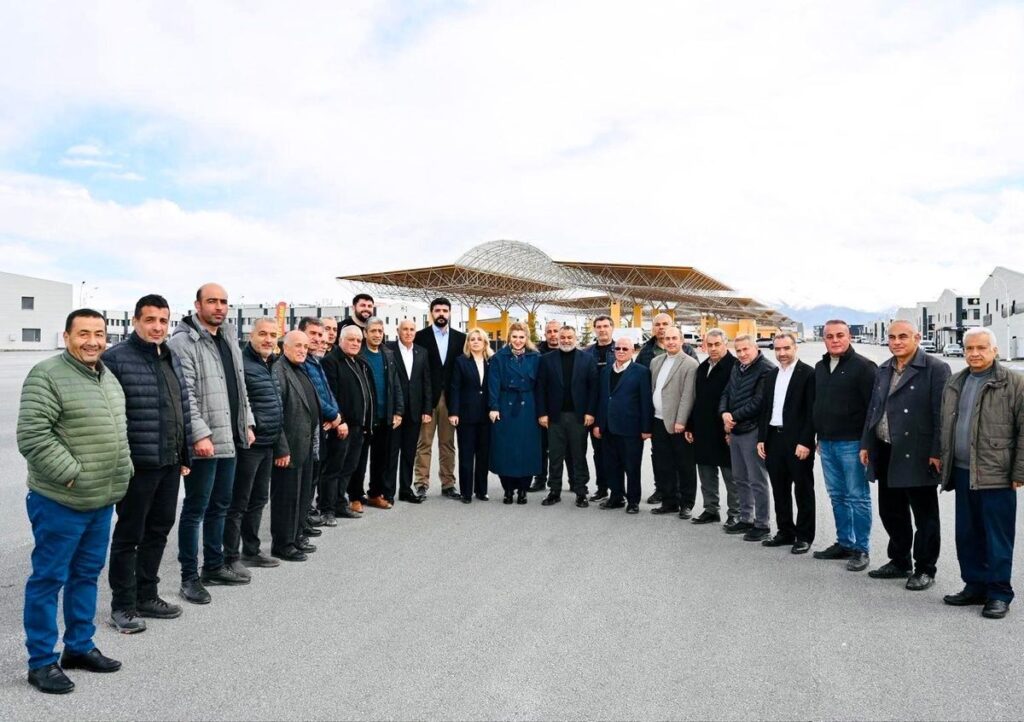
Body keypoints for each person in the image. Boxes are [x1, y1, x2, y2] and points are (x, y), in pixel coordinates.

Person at [18, 309, 133, 694]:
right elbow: (33, 436)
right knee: (49, 578)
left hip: (100, 499)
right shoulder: (47, 375)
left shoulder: (106, 376)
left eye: (99, 333)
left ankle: (79, 646)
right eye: (83, 333)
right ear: (67, 336)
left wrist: (124, 469)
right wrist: (74, 474)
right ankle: (41, 661)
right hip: (61, 499)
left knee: (86, 574)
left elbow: (118, 431)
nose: (93, 341)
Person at [102, 295, 191, 635]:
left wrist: (183, 455)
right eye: (150, 320)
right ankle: (123, 605)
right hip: (137, 465)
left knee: (159, 529)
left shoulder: (168, 356)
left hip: (168, 462)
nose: (157, 327)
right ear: (135, 321)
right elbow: (110, 416)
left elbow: (179, 408)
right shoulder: (115, 359)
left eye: (163, 321)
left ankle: (147, 595)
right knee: (129, 535)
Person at [168, 283, 255, 604]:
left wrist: (247, 422)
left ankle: (214, 567)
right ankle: (189, 577)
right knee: (195, 509)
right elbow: (185, 393)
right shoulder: (183, 342)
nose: (219, 307)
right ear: (197, 305)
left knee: (221, 505)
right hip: (204, 441)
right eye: (212, 301)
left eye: (223, 302)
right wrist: (199, 434)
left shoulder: (228, 336)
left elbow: (239, 385)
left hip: (229, 436)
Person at [940, 327, 1024, 619]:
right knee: (967, 533)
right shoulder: (956, 381)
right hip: (963, 471)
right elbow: (947, 424)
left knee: (997, 537)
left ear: (994, 350)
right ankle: (974, 586)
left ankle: (999, 593)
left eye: (981, 348)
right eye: (969, 348)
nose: (974, 354)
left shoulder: (1014, 383)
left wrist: (1019, 470)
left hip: (996, 474)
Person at [860, 320, 950, 590]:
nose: (897, 342)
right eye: (892, 337)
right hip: (886, 448)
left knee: (925, 516)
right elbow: (874, 409)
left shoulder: (935, 368)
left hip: (918, 452)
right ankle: (900, 561)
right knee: (891, 511)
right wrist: (866, 443)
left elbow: (941, 414)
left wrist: (937, 451)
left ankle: (925, 568)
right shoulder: (884, 368)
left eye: (903, 336)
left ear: (917, 338)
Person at [812, 319, 877, 572]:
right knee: (837, 496)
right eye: (830, 336)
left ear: (849, 336)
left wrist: (866, 444)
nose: (835, 340)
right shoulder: (820, 367)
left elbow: (873, 410)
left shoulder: (864, 367)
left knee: (857, 497)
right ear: (824, 339)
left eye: (840, 335)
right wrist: (819, 437)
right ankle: (845, 543)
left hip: (852, 444)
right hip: (827, 444)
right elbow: (818, 404)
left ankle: (861, 548)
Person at [223, 318, 283, 576]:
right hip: (249, 445)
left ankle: (251, 550)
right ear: (251, 335)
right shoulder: (242, 364)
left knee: (258, 499)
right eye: (263, 334)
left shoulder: (270, 364)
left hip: (268, 443)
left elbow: (276, 405)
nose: (268, 339)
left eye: (272, 335)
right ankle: (230, 556)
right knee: (239, 502)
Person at [756, 332, 816, 554]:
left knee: (803, 490)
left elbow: (811, 412)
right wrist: (762, 438)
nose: (782, 353)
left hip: (797, 441)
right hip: (774, 438)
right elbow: (766, 409)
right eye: (778, 349)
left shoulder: (808, 374)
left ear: (795, 348)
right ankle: (785, 531)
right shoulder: (772, 375)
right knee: (779, 489)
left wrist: (806, 441)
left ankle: (804, 536)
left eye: (786, 348)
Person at [269, 331, 320, 561]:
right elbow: (276, 413)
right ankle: (283, 544)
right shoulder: (279, 370)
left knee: (301, 495)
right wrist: (281, 448)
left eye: (305, 347)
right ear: (284, 347)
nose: (302, 350)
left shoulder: (300, 368)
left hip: (304, 443)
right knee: (286, 498)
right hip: (289, 446)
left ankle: (296, 536)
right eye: (298, 345)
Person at [719, 334, 774, 541]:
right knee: (740, 477)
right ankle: (745, 518)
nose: (742, 354)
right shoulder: (737, 366)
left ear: (755, 348)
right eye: (738, 350)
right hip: (735, 430)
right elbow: (726, 393)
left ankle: (762, 524)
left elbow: (758, 402)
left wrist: (733, 417)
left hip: (752, 430)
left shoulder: (766, 369)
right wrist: (724, 413)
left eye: (745, 349)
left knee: (757, 480)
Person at [537, 325, 598, 508]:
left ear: (575, 338)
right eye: (562, 337)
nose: (566, 340)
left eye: (569, 337)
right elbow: (540, 388)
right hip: (554, 417)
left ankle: (581, 492)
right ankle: (554, 491)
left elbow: (593, 388)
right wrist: (542, 413)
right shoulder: (546, 360)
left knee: (578, 455)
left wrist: (590, 412)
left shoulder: (587, 359)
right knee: (555, 456)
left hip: (578, 417)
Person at [414, 297, 467, 499]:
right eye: (437, 310)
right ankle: (421, 483)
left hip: (451, 398)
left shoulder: (460, 338)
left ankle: (448, 484)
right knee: (424, 443)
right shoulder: (420, 337)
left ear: (450, 313)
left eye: (445, 310)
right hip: (428, 398)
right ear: (431, 313)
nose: (441, 314)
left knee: (447, 443)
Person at [593, 337, 652, 513]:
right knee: (612, 465)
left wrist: (646, 428)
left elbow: (645, 401)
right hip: (609, 428)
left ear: (632, 351)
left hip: (631, 429)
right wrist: (598, 424)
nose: (620, 351)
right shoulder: (605, 371)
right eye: (617, 348)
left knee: (632, 467)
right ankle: (616, 497)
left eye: (625, 349)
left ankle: (633, 501)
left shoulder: (641, 372)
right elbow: (602, 399)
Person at [686, 328, 738, 526]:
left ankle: (735, 512)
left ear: (726, 344)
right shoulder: (702, 367)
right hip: (703, 429)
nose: (713, 348)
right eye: (710, 345)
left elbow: (737, 400)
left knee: (731, 475)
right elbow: (697, 399)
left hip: (724, 430)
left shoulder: (734, 367)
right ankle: (711, 509)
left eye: (717, 344)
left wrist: (732, 429)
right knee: (706, 472)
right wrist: (691, 425)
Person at [488, 321, 543, 504]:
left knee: (527, 449)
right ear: (509, 338)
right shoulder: (499, 357)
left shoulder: (535, 357)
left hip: (529, 406)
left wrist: (542, 411)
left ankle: (523, 490)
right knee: (505, 449)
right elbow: (493, 384)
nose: (518, 340)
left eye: (521, 337)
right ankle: (508, 489)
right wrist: (494, 407)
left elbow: (541, 386)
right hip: (506, 405)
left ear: (527, 338)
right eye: (514, 337)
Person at [321, 325, 373, 515]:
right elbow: (330, 394)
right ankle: (327, 508)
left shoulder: (358, 362)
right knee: (333, 468)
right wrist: (340, 420)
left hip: (358, 426)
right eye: (351, 339)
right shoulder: (330, 362)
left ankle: (339, 504)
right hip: (341, 426)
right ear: (340, 340)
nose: (355, 343)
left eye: (358, 340)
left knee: (348, 467)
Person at [297, 317, 342, 533]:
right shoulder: (301, 362)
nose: (317, 339)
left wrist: (336, 415)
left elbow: (327, 392)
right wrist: (334, 415)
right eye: (312, 334)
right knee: (306, 478)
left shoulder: (315, 361)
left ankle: (306, 515)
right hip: (308, 428)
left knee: (313, 474)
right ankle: (302, 520)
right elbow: (312, 395)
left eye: (319, 335)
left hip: (321, 426)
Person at [649, 326, 699, 517]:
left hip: (678, 424)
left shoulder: (690, 364)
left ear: (681, 341)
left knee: (685, 465)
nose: (670, 342)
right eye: (667, 338)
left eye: (674, 338)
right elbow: (654, 389)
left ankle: (686, 504)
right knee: (664, 464)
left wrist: (681, 421)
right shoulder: (656, 361)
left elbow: (688, 395)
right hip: (658, 421)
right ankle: (669, 502)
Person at [357, 317, 404, 508]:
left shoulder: (388, 354)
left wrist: (398, 411)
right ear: (365, 333)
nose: (377, 335)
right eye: (373, 331)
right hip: (365, 418)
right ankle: (355, 497)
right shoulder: (358, 354)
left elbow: (395, 384)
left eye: (380, 331)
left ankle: (375, 494)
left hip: (385, 416)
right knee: (359, 461)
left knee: (380, 460)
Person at [386, 319, 433, 504]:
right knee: (391, 453)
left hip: (415, 411)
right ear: (398, 331)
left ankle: (405, 490)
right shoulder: (388, 349)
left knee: (409, 453)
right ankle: (388, 492)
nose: (408, 332)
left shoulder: (422, 352)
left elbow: (426, 382)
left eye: (412, 329)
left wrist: (427, 409)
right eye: (405, 329)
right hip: (394, 411)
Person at [449, 328, 494, 503]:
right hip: (466, 416)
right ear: (468, 343)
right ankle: (466, 492)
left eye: (479, 339)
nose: (475, 342)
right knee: (466, 455)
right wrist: (454, 412)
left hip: (486, 416)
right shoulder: (461, 361)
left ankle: (481, 491)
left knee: (483, 455)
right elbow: (455, 388)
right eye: (472, 339)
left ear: (485, 343)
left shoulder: (491, 361)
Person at [585, 314, 616, 500]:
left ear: (612, 328)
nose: (602, 329)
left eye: (606, 326)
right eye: (599, 326)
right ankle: (602, 488)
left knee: (615, 453)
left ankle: (617, 490)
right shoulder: (587, 353)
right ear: (594, 329)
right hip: (592, 409)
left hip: (614, 411)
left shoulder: (620, 349)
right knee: (599, 452)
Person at [530, 319, 563, 492]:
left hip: (564, 408)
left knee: (566, 448)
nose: (553, 335)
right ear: (545, 334)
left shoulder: (570, 351)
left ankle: (573, 480)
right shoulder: (536, 354)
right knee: (541, 447)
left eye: (556, 331)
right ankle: (540, 479)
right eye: (549, 331)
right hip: (542, 406)